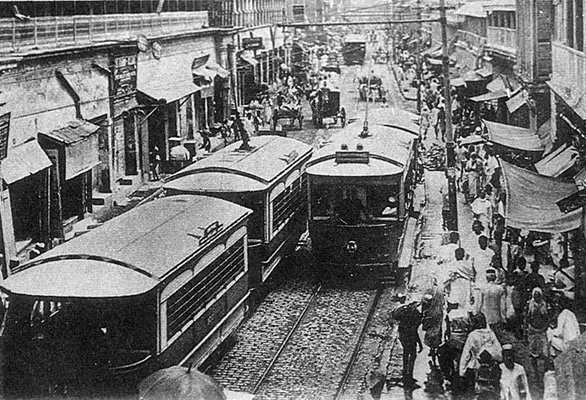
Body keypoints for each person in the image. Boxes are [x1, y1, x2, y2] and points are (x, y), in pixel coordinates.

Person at [459, 313, 502, 392]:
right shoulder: (491, 334)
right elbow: (499, 350)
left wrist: (462, 372)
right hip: (490, 365)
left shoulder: (472, 335)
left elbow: (466, 354)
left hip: (476, 366)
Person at [392, 299, 423, 388]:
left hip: (403, 336)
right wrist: (420, 344)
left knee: (406, 355)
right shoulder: (416, 315)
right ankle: (409, 379)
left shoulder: (404, 311)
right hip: (410, 337)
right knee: (412, 356)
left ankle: (405, 375)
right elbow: (414, 331)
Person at [524, 287, 549, 384]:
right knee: (533, 352)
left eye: (538, 295)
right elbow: (526, 318)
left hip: (542, 330)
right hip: (532, 330)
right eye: (535, 295)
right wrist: (525, 331)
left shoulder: (545, 305)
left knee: (545, 352)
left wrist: (545, 326)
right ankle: (535, 373)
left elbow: (547, 317)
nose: (536, 297)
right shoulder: (529, 304)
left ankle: (544, 373)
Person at [547, 294, 580, 358]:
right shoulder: (571, 313)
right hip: (576, 344)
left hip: (568, 346)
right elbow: (577, 330)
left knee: (549, 334)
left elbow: (558, 333)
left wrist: (551, 330)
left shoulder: (562, 315)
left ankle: (553, 357)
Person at [444, 248, 475, 312]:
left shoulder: (452, 264)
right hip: (465, 284)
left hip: (457, 284)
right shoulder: (468, 265)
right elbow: (472, 275)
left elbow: (448, 276)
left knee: (456, 300)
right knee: (464, 302)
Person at [421, 283, 445, 366]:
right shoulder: (439, 292)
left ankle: (432, 348)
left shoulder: (430, 292)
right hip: (437, 315)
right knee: (436, 332)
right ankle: (434, 348)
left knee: (432, 332)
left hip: (432, 316)